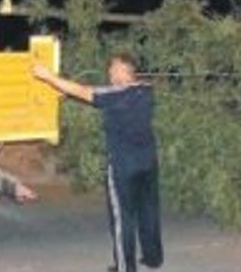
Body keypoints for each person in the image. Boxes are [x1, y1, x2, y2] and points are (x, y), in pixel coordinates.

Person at [32, 54, 163, 272]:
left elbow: (84, 92)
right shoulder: (146, 91)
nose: (109, 72)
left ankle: (124, 268)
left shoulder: (116, 96)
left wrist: (48, 77)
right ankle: (153, 258)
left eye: (113, 68)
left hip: (124, 167)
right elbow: (105, 90)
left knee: (123, 219)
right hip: (148, 163)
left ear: (124, 70)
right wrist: (65, 88)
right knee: (148, 210)